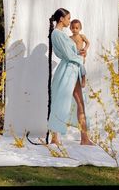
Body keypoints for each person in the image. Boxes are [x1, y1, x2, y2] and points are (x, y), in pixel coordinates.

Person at [47, 8, 94, 146]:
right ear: (61, 19)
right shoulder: (57, 34)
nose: (69, 21)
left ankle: (82, 138)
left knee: (77, 102)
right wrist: (80, 56)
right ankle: (58, 138)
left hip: (73, 69)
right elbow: (68, 55)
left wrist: (81, 54)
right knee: (65, 102)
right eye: (68, 18)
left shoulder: (59, 34)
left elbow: (70, 53)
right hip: (69, 70)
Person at [69, 19, 90, 88]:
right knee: (73, 66)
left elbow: (88, 43)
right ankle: (74, 79)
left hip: (81, 54)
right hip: (74, 54)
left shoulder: (81, 36)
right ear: (70, 28)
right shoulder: (70, 38)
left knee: (81, 65)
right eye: (73, 28)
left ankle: (83, 78)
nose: (74, 30)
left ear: (80, 28)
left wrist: (85, 49)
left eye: (76, 28)